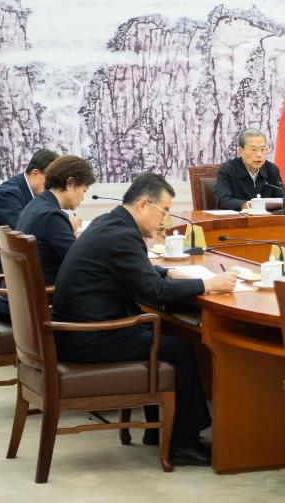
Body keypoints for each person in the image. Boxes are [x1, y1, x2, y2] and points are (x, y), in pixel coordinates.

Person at [53, 173, 237, 467]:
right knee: (180, 350)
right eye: (163, 211)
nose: (165, 221)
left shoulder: (109, 223)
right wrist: (207, 285)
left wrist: (168, 272)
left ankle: (159, 431)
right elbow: (156, 292)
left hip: (75, 332)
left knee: (163, 336)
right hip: (89, 338)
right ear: (143, 204)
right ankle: (183, 444)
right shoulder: (123, 236)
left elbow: (139, 273)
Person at [0, 155, 95, 320]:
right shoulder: (51, 216)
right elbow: (80, 265)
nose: (83, 197)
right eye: (84, 190)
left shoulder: (36, 205)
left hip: (18, 304)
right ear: (70, 183)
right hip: (40, 308)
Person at [0, 149, 59, 276]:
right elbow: (25, 232)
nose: (54, 187)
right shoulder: (9, 194)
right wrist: (60, 228)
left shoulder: (21, 189)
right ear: (35, 174)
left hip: (7, 259)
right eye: (52, 180)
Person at [213, 128, 285, 211]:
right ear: (240, 151)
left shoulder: (271, 170)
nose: (259, 154)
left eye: (263, 149)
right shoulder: (228, 170)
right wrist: (246, 205)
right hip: (237, 218)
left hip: (266, 218)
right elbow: (223, 200)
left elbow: (283, 196)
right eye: (253, 150)